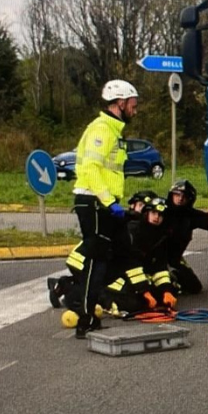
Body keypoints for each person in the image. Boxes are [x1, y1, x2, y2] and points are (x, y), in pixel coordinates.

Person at [70, 79, 140, 338]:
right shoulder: (102, 129)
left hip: (107, 204)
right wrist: (109, 202)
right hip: (95, 202)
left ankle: (90, 299)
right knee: (96, 260)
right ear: (120, 103)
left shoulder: (114, 129)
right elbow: (90, 169)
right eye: (132, 105)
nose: (135, 109)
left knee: (121, 253)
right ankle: (85, 317)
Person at [163, 179, 208, 294]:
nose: (180, 199)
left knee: (194, 287)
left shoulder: (190, 215)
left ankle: (174, 278)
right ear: (171, 195)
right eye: (177, 195)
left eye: (184, 196)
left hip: (175, 258)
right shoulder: (161, 211)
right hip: (157, 257)